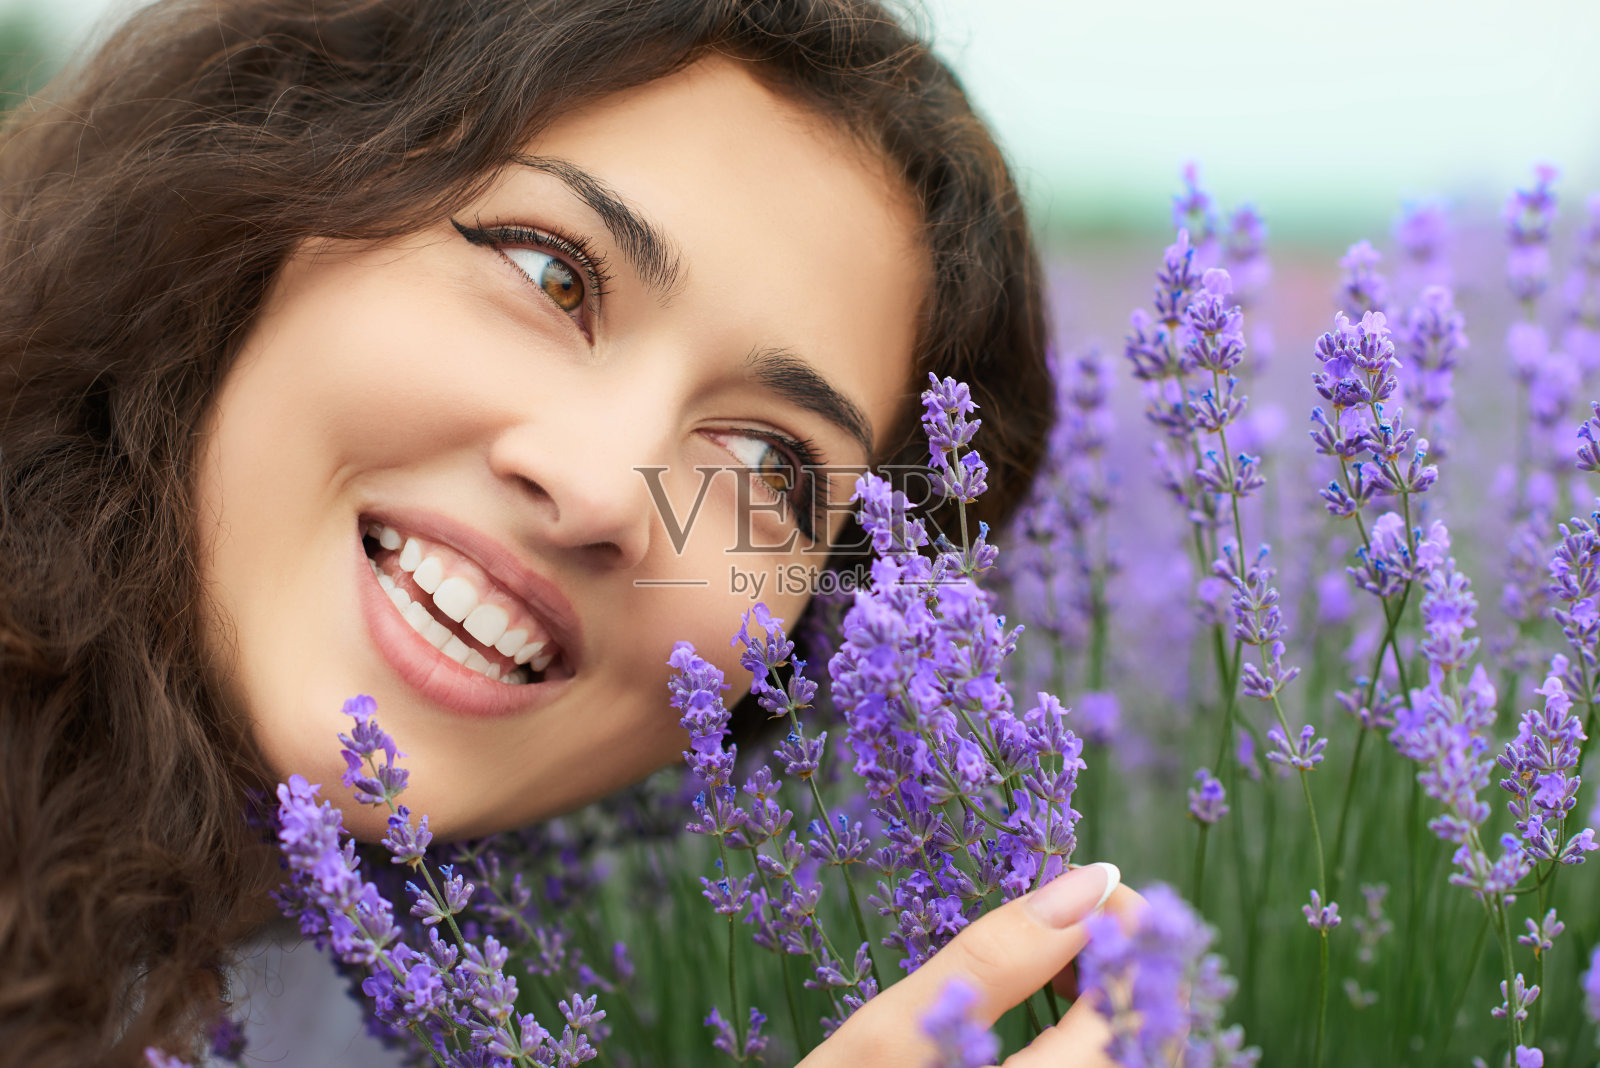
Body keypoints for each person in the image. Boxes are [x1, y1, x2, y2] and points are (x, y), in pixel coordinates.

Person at [0, 1, 1136, 1065]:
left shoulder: (378, 998)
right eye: (552, 277)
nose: (602, 491)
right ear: (258, 205)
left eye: (765, 463)